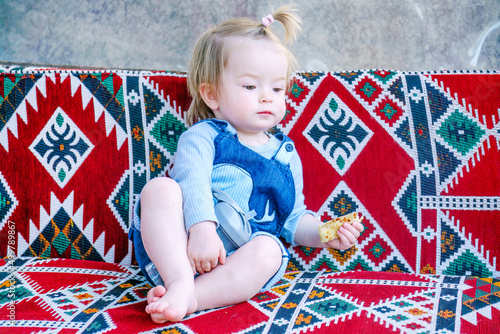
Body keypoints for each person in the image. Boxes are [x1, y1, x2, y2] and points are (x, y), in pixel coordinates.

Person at [128, 5, 364, 324]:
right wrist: (202, 230)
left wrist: (323, 233)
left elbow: (292, 220)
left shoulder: (285, 155)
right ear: (211, 94)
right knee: (160, 189)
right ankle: (179, 281)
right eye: (251, 87)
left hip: (233, 268)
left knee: (270, 249)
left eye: (277, 88)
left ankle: (192, 298)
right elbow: (192, 181)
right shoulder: (204, 136)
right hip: (178, 251)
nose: (267, 97)